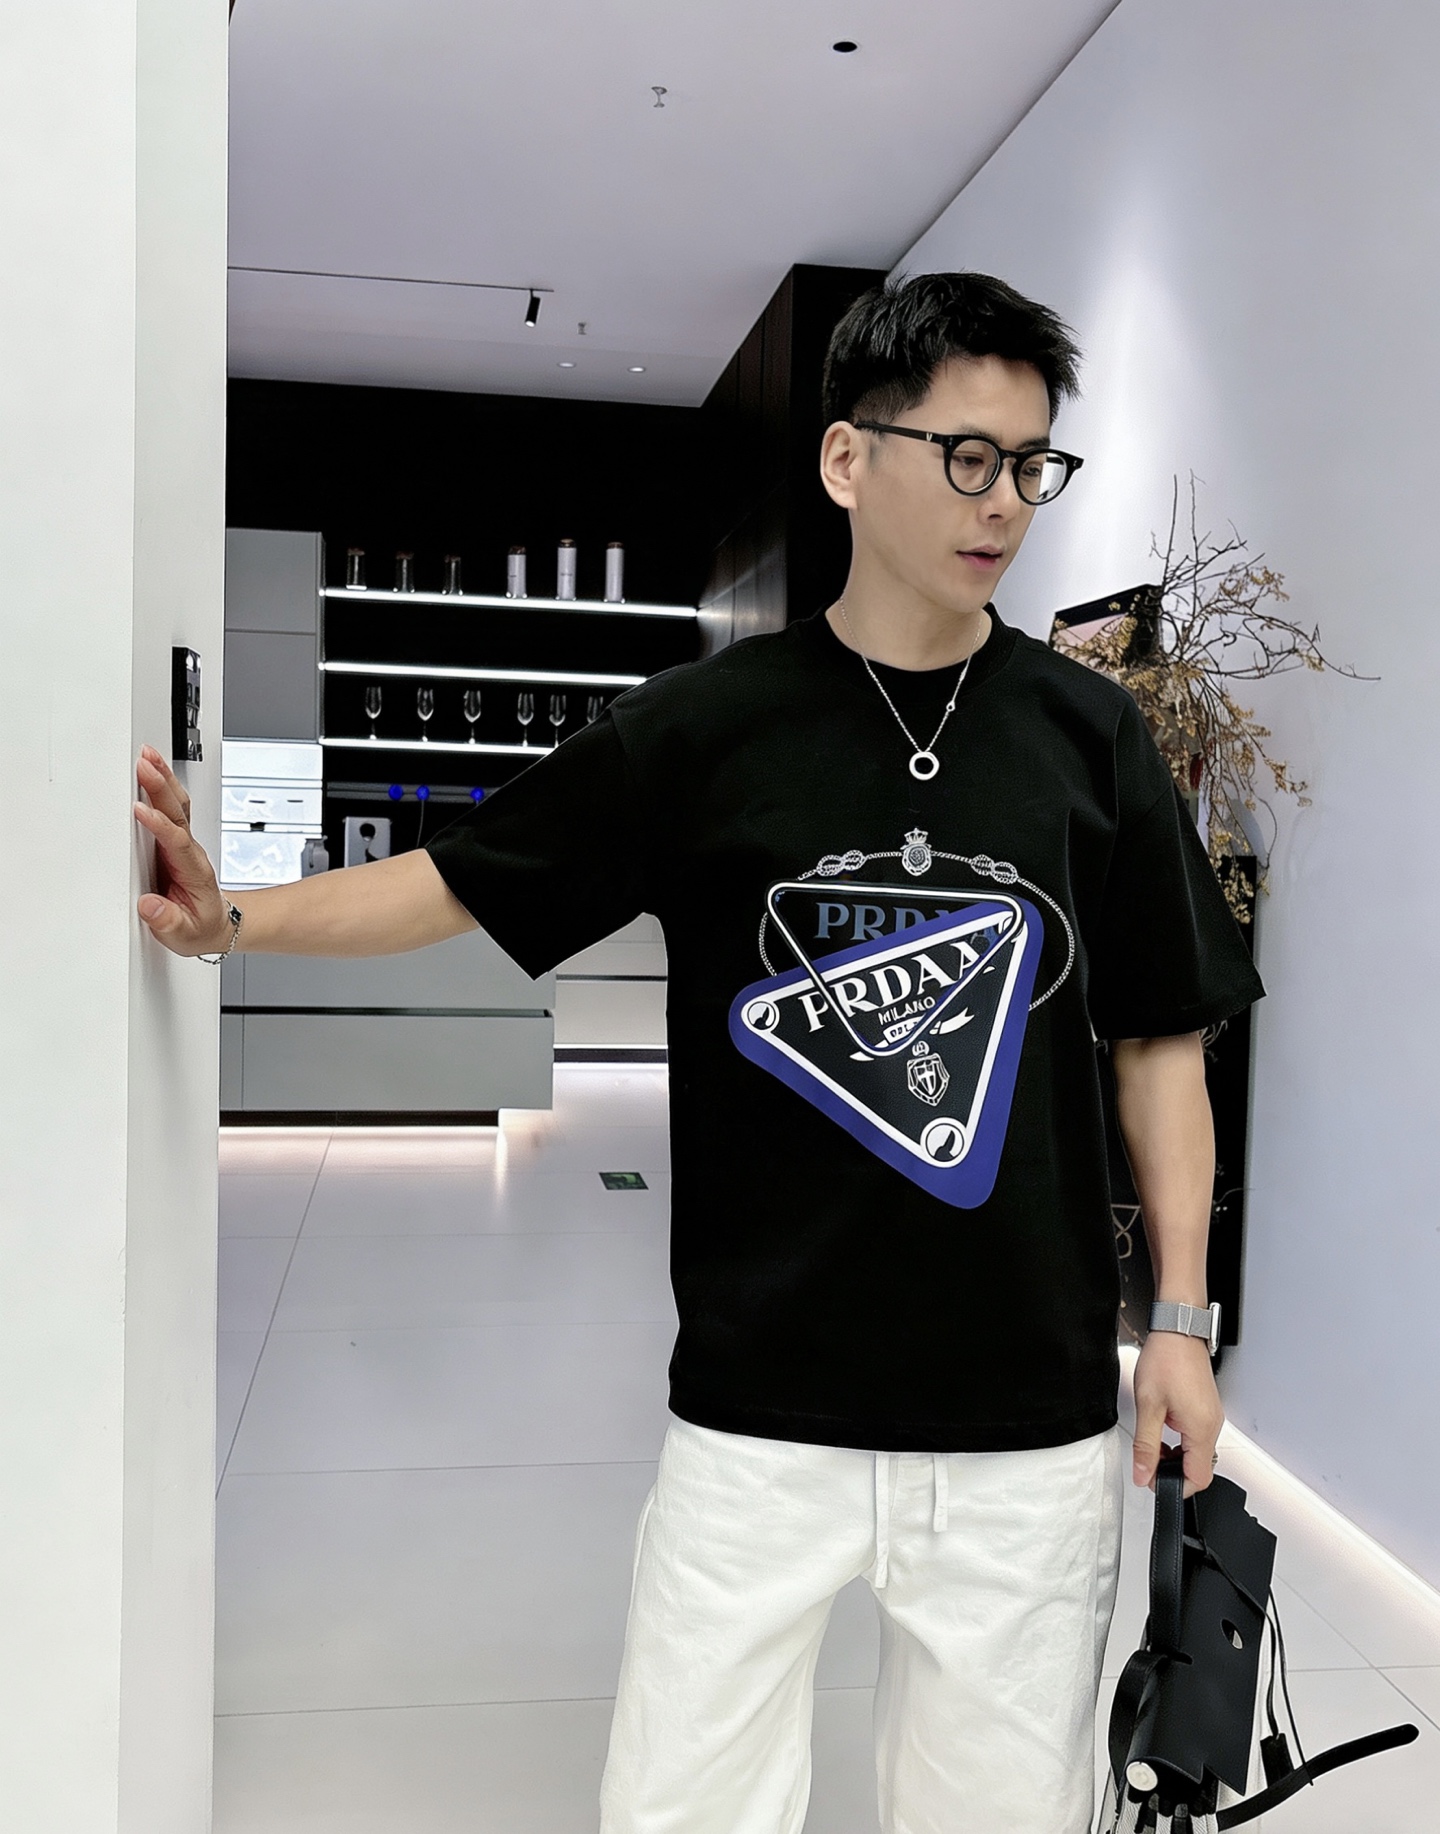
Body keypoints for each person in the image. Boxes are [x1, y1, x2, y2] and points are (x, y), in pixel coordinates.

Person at [135, 272, 1263, 1834]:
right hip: (759, 1403)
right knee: (684, 1807)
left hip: (1025, 1411)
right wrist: (232, 923)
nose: (1003, 500)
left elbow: (1158, 1040)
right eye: (965, 455)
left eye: (1030, 463)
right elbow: (466, 876)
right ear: (848, 458)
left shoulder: (1092, 735)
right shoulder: (710, 724)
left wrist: (1184, 1323)